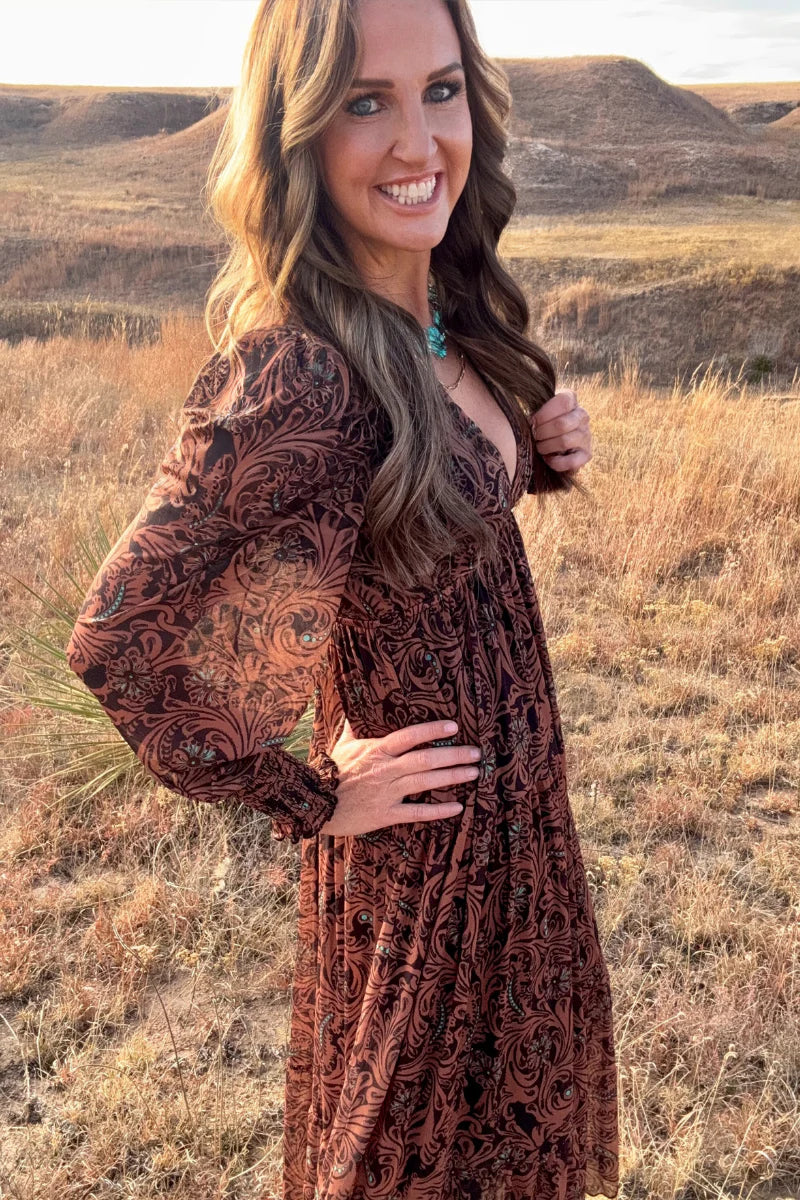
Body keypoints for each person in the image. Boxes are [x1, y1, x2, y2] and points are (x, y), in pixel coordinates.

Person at [65, 0, 618, 1196]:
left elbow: (410, 513)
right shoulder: (297, 371)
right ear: (297, 134)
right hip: (428, 877)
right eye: (365, 103)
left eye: (439, 90)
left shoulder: (437, 313)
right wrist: (309, 795)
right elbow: (116, 641)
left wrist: (532, 448)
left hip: (521, 847)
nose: (418, 142)